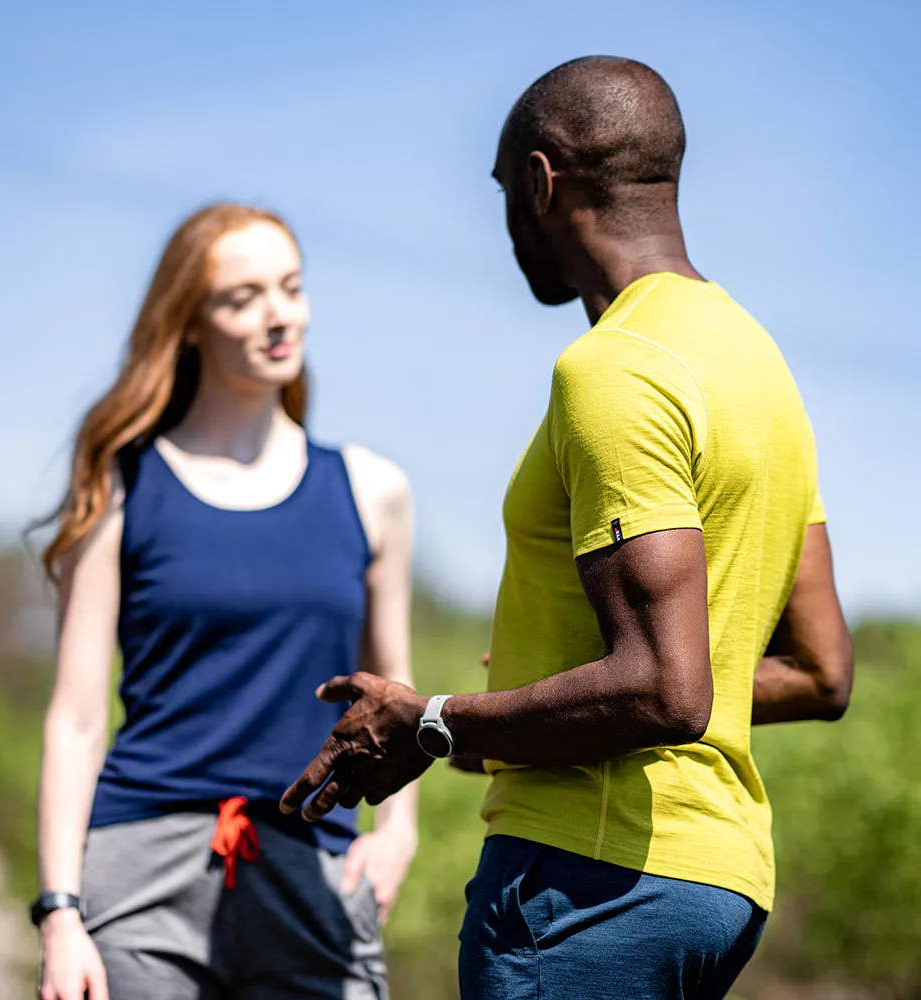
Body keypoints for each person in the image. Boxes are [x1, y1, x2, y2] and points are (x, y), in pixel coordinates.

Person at [280, 57, 854, 1000]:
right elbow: (821, 670)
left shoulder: (613, 369)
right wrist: (549, 696)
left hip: (588, 883)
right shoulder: (759, 366)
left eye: (508, 191)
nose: (509, 220)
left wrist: (429, 725)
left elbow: (667, 689)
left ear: (542, 182)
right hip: (718, 882)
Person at [32, 202, 417, 1000]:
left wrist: (397, 832)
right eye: (243, 297)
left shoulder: (372, 490)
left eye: (290, 287)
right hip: (140, 871)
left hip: (315, 862)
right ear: (192, 323)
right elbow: (75, 719)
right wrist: (60, 913)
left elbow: (394, 698)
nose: (279, 316)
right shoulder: (120, 490)